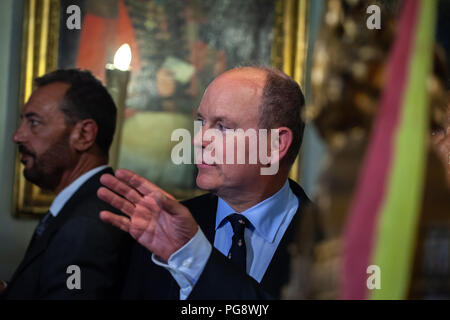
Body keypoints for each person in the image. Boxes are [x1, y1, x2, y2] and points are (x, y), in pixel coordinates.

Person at [98, 66, 314, 299]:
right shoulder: (164, 226)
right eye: (202, 122)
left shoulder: (334, 243)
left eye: (222, 127)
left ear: (275, 145)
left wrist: (195, 258)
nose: (198, 140)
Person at [2, 69, 131, 299]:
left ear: (84, 134)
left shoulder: (85, 227)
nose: (18, 136)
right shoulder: (83, 208)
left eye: (34, 122)